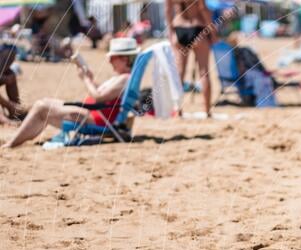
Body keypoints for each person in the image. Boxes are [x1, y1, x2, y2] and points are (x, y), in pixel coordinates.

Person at [3, 38, 138, 148]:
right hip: (93, 113)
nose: (109, 61)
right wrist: (90, 78)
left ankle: (12, 143)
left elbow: (98, 98)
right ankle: (17, 139)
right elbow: (103, 92)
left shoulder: (124, 79)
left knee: (42, 107)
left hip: (96, 118)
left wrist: (85, 80)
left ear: (124, 59)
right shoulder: (123, 77)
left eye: (112, 57)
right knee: (43, 104)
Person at [166, 0, 214, 116]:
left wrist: (171, 32)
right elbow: (203, 9)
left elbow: (168, 11)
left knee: (179, 73)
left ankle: (178, 110)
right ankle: (207, 110)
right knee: (204, 72)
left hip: (179, 28)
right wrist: (212, 31)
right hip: (197, 28)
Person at [0, 44, 25, 125]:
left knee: (11, 77)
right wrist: (8, 104)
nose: (10, 61)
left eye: (12, 58)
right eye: (7, 57)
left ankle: (15, 110)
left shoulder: (7, 70)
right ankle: (5, 117)